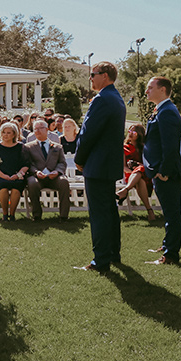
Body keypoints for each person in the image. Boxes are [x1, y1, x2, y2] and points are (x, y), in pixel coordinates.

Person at [74, 62, 126, 272]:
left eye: (93, 74)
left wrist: (79, 158)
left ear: (105, 76)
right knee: (109, 211)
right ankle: (113, 253)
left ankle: (100, 260)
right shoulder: (116, 97)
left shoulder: (102, 99)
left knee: (99, 213)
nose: (91, 78)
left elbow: (88, 134)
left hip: (97, 164)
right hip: (109, 164)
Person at [142, 77, 181, 265]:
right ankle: (168, 244)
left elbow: (170, 146)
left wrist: (164, 171)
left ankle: (171, 255)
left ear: (163, 89)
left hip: (166, 173)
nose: (146, 91)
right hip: (159, 170)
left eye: (150, 87)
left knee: (172, 213)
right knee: (168, 212)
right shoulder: (162, 109)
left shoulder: (167, 112)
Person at [23, 119, 72, 222]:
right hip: (38, 177)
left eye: (40, 128)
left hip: (54, 177)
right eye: (35, 129)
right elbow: (28, 164)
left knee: (64, 182)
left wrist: (57, 172)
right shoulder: (28, 147)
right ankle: (37, 215)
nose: (38, 131)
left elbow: (62, 162)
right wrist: (36, 172)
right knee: (32, 183)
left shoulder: (57, 147)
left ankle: (64, 216)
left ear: (46, 130)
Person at [115, 124, 157, 220]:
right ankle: (149, 210)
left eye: (134, 132)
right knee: (140, 177)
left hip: (146, 175)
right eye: (129, 131)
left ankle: (125, 191)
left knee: (141, 169)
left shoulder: (145, 148)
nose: (130, 134)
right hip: (130, 175)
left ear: (140, 134)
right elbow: (124, 167)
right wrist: (134, 171)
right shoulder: (124, 147)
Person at [0, 123, 30, 221]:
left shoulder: (21, 147)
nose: (5, 135)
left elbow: (26, 165)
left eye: (8, 133)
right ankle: (5, 214)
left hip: (17, 175)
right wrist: (4, 176)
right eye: (3, 132)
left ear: (14, 135)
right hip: (0, 176)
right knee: (3, 187)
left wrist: (17, 175)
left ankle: (12, 214)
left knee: (16, 188)